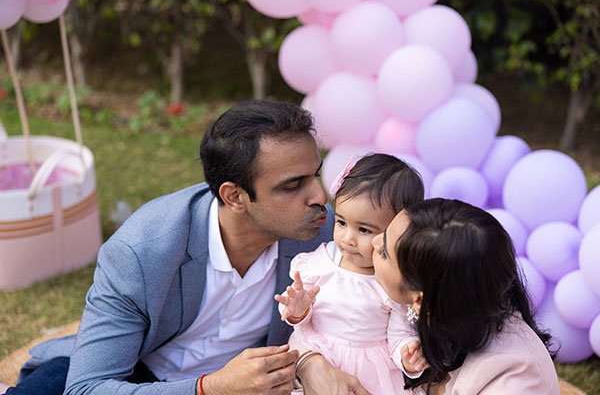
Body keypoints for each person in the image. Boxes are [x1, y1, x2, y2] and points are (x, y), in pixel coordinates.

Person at [5, 99, 371, 395]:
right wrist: (210, 388)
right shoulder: (142, 251)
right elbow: (88, 387)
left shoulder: (325, 231)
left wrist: (309, 362)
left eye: (315, 175)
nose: (319, 197)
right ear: (235, 196)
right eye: (293, 185)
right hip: (136, 371)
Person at [371, 198, 560, 395]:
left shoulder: (512, 383)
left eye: (384, 252)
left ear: (420, 300)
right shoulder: (452, 312)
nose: (374, 242)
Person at [275, 153, 428, 394]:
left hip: (373, 375)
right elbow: (302, 321)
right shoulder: (319, 263)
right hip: (319, 357)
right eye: (341, 222)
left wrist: (407, 353)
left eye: (364, 230)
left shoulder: (390, 281)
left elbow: (398, 333)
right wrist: (298, 310)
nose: (348, 239)